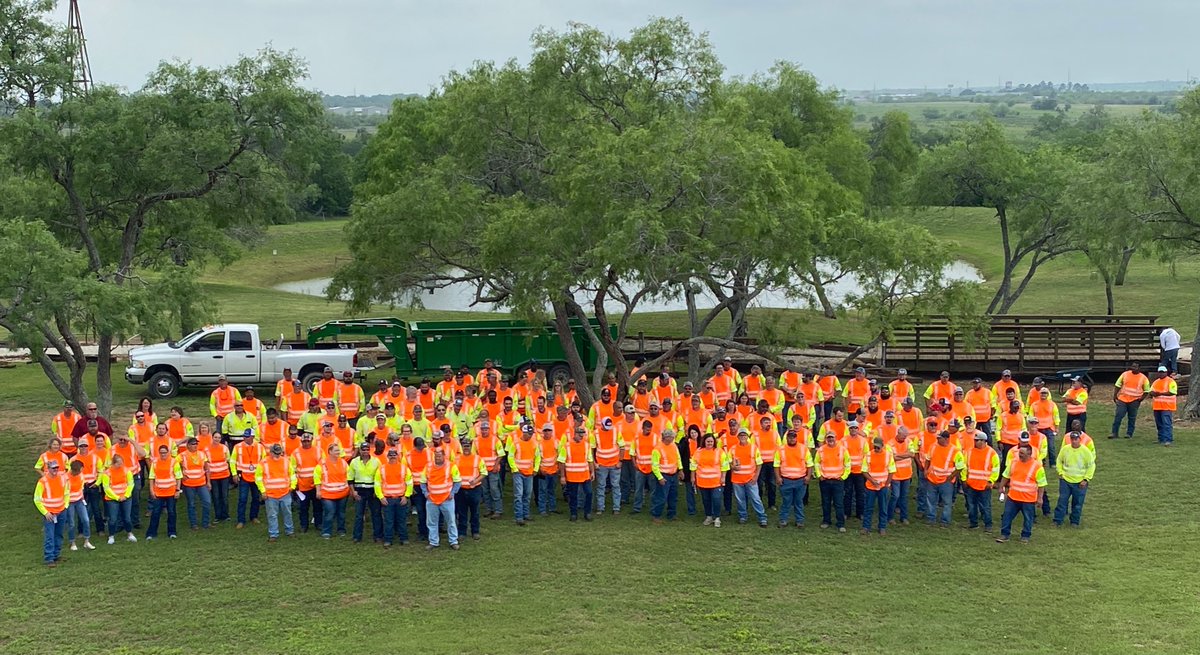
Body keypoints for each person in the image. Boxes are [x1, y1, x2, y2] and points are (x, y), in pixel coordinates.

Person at [996, 443, 1047, 544]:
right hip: (1013, 497)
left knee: (1028, 519)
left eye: (1022, 453)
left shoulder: (1037, 467)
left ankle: (1025, 536)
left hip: (1028, 499)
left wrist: (1040, 498)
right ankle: (1004, 534)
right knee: (1007, 516)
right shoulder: (1014, 463)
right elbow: (1006, 475)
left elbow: (1042, 484)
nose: (1020, 455)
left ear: (1029, 453)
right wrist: (1001, 486)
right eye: (1019, 452)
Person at [922, 430, 965, 528]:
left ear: (946, 438)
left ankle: (945, 521)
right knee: (931, 500)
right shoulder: (933, 446)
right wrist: (926, 470)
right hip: (932, 479)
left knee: (946, 502)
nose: (937, 440)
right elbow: (928, 459)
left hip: (946, 481)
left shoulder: (955, 451)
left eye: (939, 438)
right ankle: (930, 518)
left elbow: (960, 467)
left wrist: (951, 477)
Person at [255, 443, 297, 541]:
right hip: (270, 494)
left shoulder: (286, 461)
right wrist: (263, 491)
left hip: (285, 492)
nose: (278, 455)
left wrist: (292, 486)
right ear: (271, 452)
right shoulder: (263, 463)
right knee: (272, 515)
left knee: (287, 513)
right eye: (276, 453)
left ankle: (289, 531)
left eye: (279, 453)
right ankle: (273, 534)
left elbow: (292, 475)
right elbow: (258, 478)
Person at [1055, 431, 1096, 527]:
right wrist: (1060, 472)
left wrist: (1086, 479)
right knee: (1062, 500)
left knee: (1077, 503)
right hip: (1065, 480)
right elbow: (1059, 461)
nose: (1074, 441)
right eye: (1072, 439)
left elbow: (1091, 466)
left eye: (1076, 439)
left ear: (1080, 440)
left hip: (1080, 482)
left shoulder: (1086, 452)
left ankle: (1074, 521)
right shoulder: (1065, 449)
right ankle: (1057, 520)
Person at [424, 448, 462, 551]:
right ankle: (433, 542)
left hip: (446, 499)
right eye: (436, 455)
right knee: (431, 522)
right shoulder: (428, 467)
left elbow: (458, 481)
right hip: (432, 499)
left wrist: (453, 493)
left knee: (451, 521)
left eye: (439, 456)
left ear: (444, 456)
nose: (437, 457)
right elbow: (423, 481)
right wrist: (426, 493)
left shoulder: (451, 466)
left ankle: (453, 541)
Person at [961, 431, 999, 532]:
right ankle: (973, 523)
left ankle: (988, 525)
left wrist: (991, 481)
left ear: (983, 441)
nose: (975, 442)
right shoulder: (969, 452)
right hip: (971, 484)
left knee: (985, 506)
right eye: (975, 440)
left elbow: (996, 469)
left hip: (984, 486)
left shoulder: (992, 453)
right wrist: (964, 479)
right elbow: (965, 467)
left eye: (977, 440)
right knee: (971, 505)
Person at [375, 447, 413, 547]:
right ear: (387, 456)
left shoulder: (404, 468)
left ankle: (404, 538)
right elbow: (377, 484)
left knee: (402, 520)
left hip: (401, 498)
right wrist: (381, 497)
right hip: (387, 499)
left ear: (397, 456)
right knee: (388, 521)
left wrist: (406, 496)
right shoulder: (381, 469)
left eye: (394, 455)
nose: (392, 457)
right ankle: (388, 540)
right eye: (390, 455)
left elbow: (409, 483)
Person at [34, 460, 70, 566]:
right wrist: (45, 513)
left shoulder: (63, 479)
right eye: (53, 468)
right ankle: (49, 558)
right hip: (49, 513)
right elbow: (37, 499)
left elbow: (67, 493)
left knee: (59, 534)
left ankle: (56, 555)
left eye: (56, 468)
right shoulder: (42, 482)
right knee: (50, 535)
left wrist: (65, 506)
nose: (55, 470)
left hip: (61, 510)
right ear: (48, 469)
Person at [775, 428, 812, 528]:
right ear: (787, 438)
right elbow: (776, 465)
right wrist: (778, 477)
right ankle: (783, 520)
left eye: (793, 437)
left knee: (798, 501)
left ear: (796, 438)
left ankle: (799, 521)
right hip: (786, 480)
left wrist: (808, 476)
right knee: (786, 501)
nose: (792, 439)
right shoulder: (781, 449)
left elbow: (809, 464)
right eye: (790, 437)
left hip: (800, 480)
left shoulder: (804, 449)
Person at [145, 445, 182, 540]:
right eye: (161, 452)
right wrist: (151, 490)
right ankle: (151, 533)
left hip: (171, 491)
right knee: (156, 512)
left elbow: (178, 477)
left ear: (168, 452)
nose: (163, 454)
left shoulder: (174, 462)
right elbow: (151, 477)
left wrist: (177, 490)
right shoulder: (155, 462)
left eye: (164, 452)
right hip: (159, 492)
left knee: (172, 512)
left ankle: (172, 532)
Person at [816, 431, 850, 532]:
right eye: (828, 438)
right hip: (825, 480)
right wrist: (819, 475)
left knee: (838, 503)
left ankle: (840, 524)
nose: (830, 440)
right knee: (825, 502)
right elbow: (817, 463)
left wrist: (843, 477)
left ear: (836, 438)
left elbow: (848, 464)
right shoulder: (821, 450)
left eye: (832, 438)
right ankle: (826, 521)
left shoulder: (843, 450)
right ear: (826, 439)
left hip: (838, 481)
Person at [313, 444, 350, 538]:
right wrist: (318, 491)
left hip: (342, 493)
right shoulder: (322, 464)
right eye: (336, 451)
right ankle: (326, 531)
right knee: (330, 512)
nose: (338, 452)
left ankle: (341, 530)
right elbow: (317, 477)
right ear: (330, 452)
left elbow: (349, 475)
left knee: (341, 513)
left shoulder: (343, 462)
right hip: (327, 494)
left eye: (339, 451)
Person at [691, 434, 728, 527]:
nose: (709, 443)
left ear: (714, 442)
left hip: (716, 481)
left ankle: (717, 517)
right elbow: (693, 465)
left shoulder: (719, 452)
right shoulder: (698, 452)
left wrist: (723, 477)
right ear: (704, 442)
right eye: (708, 441)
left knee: (716, 499)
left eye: (711, 441)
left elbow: (725, 465)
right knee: (706, 500)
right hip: (702, 481)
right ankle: (709, 516)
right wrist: (693, 477)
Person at [348, 443, 383, 543]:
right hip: (359, 491)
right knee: (359, 515)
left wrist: (378, 492)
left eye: (367, 449)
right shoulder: (354, 462)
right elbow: (350, 478)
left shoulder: (376, 461)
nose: (365, 452)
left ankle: (378, 536)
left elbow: (380, 477)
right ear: (360, 450)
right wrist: (353, 492)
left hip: (372, 491)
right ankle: (357, 537)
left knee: (376, 514)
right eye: (363, 450)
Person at [455, 436, 488, 539]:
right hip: (461, 489)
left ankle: (475, 531)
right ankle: (462, 532)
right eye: (464, 446)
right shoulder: (456, 459)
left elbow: (484, 473)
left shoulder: (478, 459)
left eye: (468, 446)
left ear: (471, 446)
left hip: (475, 489)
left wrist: (476, 481)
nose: (466, 448)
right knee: (461, 512)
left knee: (475, 512)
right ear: (461, 446)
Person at [559, 426, 595, 522]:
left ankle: (587, 513)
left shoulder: (586, 445)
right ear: (574, 434)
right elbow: (561, 461)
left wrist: (592, 472)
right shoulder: (567, 446)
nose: (581, 437)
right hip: (572, 476)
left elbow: (590, 459)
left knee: (589, 493)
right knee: (573, 496)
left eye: (582, 435)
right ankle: (573, 514)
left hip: (585, 475)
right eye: (580, 435)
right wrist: (562, 476)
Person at [861, 437, 895, 535]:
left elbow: (891, 471)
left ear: (883, 446)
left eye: (878, 448)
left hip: (883, 487)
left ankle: (882, 527)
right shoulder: (868, 455)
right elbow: (864, 470)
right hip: (870, 486)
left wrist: (886, 484)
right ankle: (866, 527)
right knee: (868, 507)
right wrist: (872, 481)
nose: (876, 449)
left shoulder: (888, 455)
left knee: (883, 508)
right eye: (875, 447)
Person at [100, 454, 137, 544]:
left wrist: (126, 495)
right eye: (118, 464)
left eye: (121, 463)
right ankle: (111, 536)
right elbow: (106, 488)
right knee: (113, 518)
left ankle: (129, 533)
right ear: (113, 463)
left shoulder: (126, 471)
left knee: (127, 518)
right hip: (112, 499)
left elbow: (131, 484)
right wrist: (117, 497)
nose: (120, 465)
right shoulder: (107, 473)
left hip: (125, 497)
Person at [508, 424, 539, 526]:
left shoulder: (534, 443)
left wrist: (535, 469)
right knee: (519, 495)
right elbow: (511, 456)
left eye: (531, 434)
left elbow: (537, 457)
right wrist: (515, 469)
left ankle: (526, 514)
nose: (530, 436)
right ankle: (519, 517)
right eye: (529, 434)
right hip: (519, 472)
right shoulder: (516, 443)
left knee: (527, 494)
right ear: (524, 433)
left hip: (529, 472)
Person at [649, 428, 683, 524]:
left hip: (673, 475)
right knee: (661, 497)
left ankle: (671, 514)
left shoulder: (673, 446)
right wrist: (660, 478)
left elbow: (678, 458)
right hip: (664, 476)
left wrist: (680, 470)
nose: (673, 439)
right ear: (665, 437)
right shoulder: (657, 449)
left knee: (673, 496)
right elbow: (654, 466)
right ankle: (656, 515)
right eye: (671, 437)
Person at [291, 432, 323, 532]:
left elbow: (324, 467)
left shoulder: (319, 451)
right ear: (301, 441)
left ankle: (319, 524)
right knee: (303, 508)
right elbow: (292, 470)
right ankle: (304, 525)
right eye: (304, 441)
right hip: (302, 486)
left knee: (318, 506)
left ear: (311, 441)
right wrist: (295, 483)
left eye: (308, 441)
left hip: (316, 485)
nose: (306, 443)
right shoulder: (295, 453)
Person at [178, 437, 212, 530]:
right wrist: (181, 475)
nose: (195, 446)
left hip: (201, 483)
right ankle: (194, 524)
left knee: (207, 502)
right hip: (189, 484)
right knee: (191, 504)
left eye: (196, 444)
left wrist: (208, 481)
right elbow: (174, 465)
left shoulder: (202, 454)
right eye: (193, 444)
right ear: (188, 445)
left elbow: (207, 468)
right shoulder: (182, 455)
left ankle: (206, 523)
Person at [886, 427, 918, 525]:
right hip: (895, 475)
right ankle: (890, 516)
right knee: (895, 496)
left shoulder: (908, 441)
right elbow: (891, 458)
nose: (904, 438)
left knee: (904, 497)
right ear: (898, 433)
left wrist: (899, 456)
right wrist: (906, 455)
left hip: (907, 474)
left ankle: (904, 517)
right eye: (903, 436)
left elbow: (912, 454)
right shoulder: (889, 444)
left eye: (905, 436)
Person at [1110, 362, 1151, 439]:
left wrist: (1141, 399)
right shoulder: (1125, 374)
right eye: (1132, 366)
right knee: (1118, 416)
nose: (1133, 368)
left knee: (1132, 418)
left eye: (1135, 367)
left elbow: (1147, 390)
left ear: (1139, 368)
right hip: (1123, 399)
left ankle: (1129, 434)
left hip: (1135, 400)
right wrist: (1115, 395)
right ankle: (1114, 433)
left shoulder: (1143, 378)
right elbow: (1118, 385)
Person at [231, 432, 262, 528]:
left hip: (256, 477)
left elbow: (264, 461)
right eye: (244, 436)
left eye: (247, 437)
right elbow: (232, 461)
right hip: (243, 476)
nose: (245, 438)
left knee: (256, 498)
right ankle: (241, 520)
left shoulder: (260, 447)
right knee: (242, 498)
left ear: (252, 437)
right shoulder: (237, 447)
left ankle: (254, 516)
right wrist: (234, 474)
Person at [63, 460, 94, 552]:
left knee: (86, 520)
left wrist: (82, 498)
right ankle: (72, 542)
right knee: (71, 523)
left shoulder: (81, 475)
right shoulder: (65, 478)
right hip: (70, 502)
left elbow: (81, 488)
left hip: (79, 501)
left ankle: (87, 541)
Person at [842, 421, 869, 521]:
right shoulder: (843, 441)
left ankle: (860, 513)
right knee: (847, 493)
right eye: (852, 428)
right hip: (848, 472)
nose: (853, 430)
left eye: (855, 428)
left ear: (858, 429)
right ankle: (846, 513)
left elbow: (866, 456)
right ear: (849, 429)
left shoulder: (863, 441)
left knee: (860, 493)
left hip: (860, 472)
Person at [1150, 365, 1179, 446]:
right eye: (1160, 372)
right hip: (1157, 406)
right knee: (1159, 423)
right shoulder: (1156, 382)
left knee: (1167, 423)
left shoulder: (1171, 381)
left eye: (1163, 372)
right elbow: (1151, 391)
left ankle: (1168, 440)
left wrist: (1159, 393)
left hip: (1167, 406)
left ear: (1166, 372)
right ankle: (1161, 439)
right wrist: (1153, 393)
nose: (1161, 374)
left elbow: (1172, 392)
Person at [536, 424, 560, 516]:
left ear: (552, 431)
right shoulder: (539, 443)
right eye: (545, 431)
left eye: (548, 430)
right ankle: (542, 510)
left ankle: (552, 508)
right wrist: (539, 469)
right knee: (542, 491)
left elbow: (559, 455)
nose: (547, 432)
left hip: (553, 471)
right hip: (543, 471)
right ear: (542, 432)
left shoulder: (556, 442)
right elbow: (536, 458)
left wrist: (558, 468)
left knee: (552, 490)